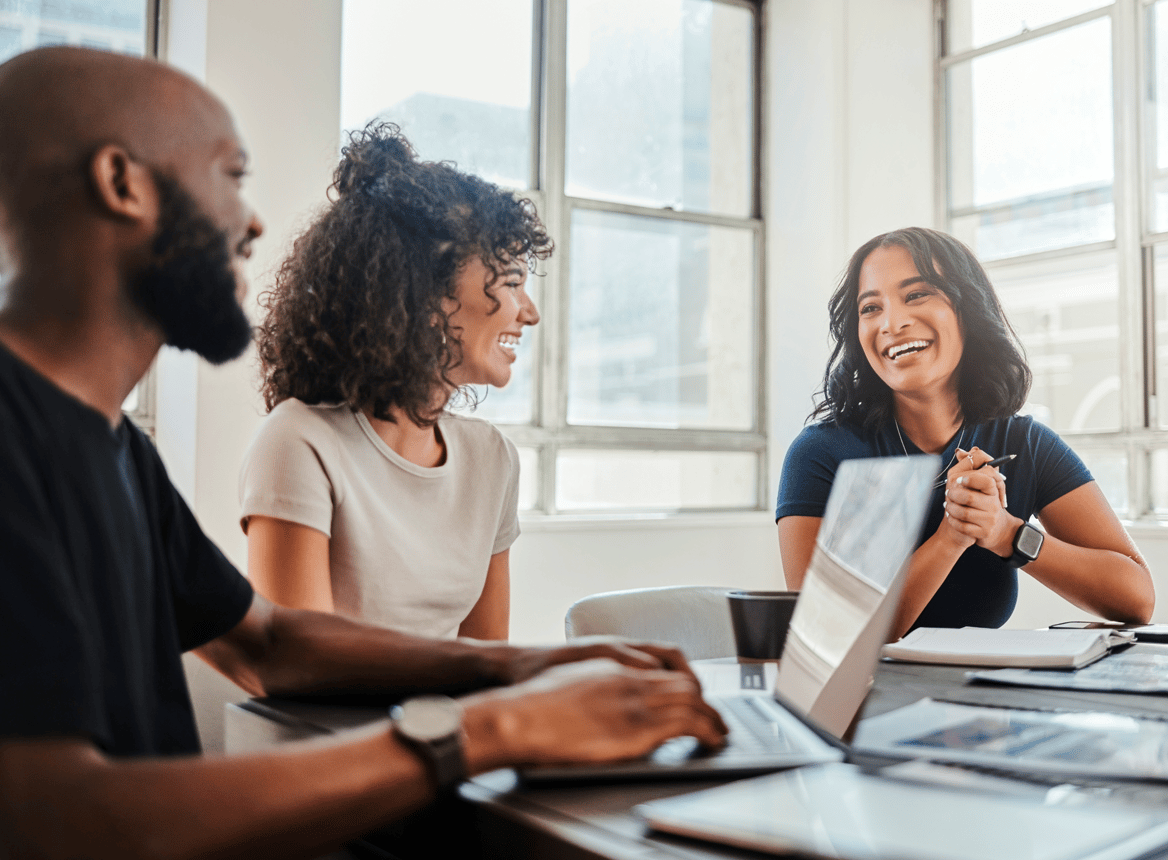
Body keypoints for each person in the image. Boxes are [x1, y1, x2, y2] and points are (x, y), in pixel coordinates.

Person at [0, 46, 726, 859]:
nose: (254, 221)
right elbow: (52, 817)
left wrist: (524, 667)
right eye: (231, 174)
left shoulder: (114, 449)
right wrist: (487, 728)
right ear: (123, 182)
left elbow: (269, 644)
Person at [239, 124, 542, 640]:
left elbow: (486, 662)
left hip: (451, 721)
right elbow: (303, 670)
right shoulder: (300, 442)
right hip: (333, 724)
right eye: (511, 283)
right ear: (429, 295)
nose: (529, 313)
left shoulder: (492, 458)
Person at [776, 227, 1154, 640]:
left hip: (985, 697)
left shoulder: (1023, 444)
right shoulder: (821, 454)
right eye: (870, 308)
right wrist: (951, 537)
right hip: (866, 699)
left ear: (967, 310)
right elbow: (825, 635)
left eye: (916, 294)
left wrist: (1005, 533)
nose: (893, 322)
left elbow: (1136, 600)